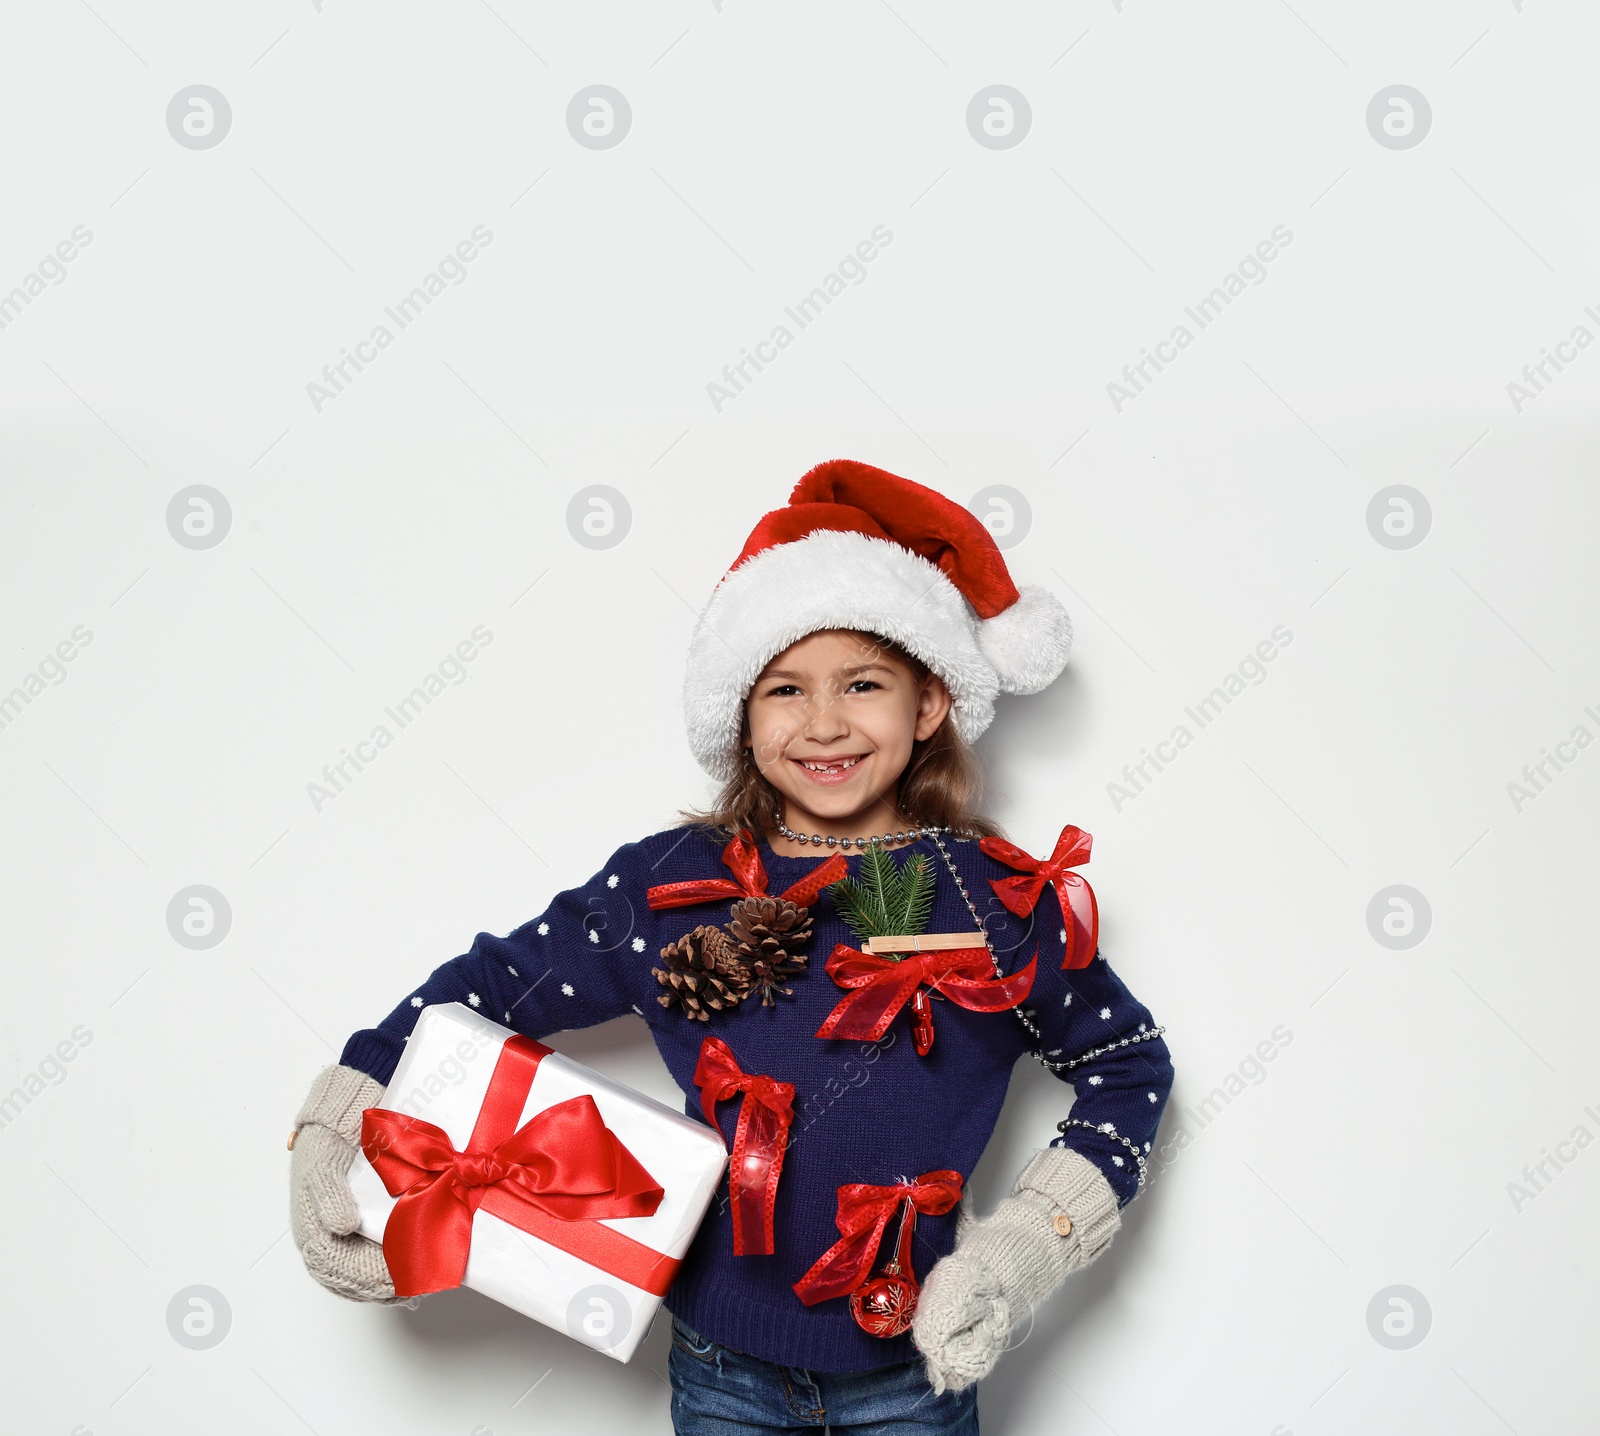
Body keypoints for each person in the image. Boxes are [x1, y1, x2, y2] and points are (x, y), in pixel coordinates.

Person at [289, 460, 1174, 1434]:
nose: (825, 721)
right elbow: (487, 986)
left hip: (917, 1374)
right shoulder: (665, 888)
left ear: (927, 705)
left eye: (864, 682)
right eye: (785, 688)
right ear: (740, 718)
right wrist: (346, 1109)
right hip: (720, 1373)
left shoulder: (998, 900)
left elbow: (1127, 1065)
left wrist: (1027, 1245)